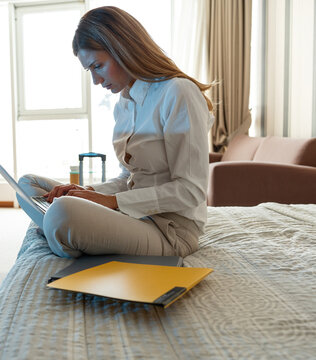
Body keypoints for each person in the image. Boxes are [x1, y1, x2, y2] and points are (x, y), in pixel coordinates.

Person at [17, 6, 214, 259]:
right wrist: (88, 192)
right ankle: (64, 230)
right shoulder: (123, 104)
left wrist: (111, 203)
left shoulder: (178, 92)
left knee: (62, 212)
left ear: (122, 48)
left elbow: (191, 191)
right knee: (28, 185)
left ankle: (62, 230)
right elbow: (127, 179)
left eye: (98, 66)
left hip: (170, 228)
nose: (96, 81)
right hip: (131, 213)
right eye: (90, 71)